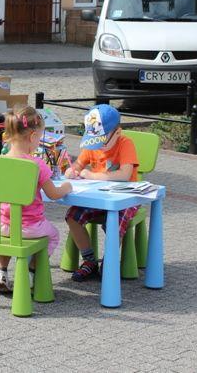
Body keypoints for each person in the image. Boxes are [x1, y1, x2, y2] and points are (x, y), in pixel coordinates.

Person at [0, 105, 72, 293]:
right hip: (31, 227)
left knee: (8, 239)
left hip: (2, 225)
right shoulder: (37, 165)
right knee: (53, 235)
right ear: (32, 137)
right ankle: (31, 273)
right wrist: (66, 187)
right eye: (40, 138)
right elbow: (53, 194)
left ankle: (0, 272)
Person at [63, 104, 140, 281]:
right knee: (72, 216)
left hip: (126, 199)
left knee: (115, 223)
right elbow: (77, 165)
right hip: (98, 199)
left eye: (103, 138)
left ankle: (110, 261)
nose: (98, 143)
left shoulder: (125, 143)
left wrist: (91, 174)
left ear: (118, 132)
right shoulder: (92, 144)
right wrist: (72, 171)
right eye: (94, 138)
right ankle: (89, 261)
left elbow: (125, 174)